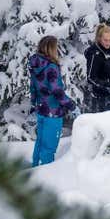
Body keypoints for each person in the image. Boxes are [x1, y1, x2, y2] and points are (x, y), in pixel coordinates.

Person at [30, 35, 77, 167]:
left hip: (41, 110)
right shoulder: (51, 67)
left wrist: (34, 105)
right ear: (51, 49)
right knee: (49, 147)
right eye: (56, 47)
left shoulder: (36, 65)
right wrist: (72, 106)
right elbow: (57, 91)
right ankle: (45, 174)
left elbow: (32, 87)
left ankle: (35, 168)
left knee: (40, 143)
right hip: (53, 111)